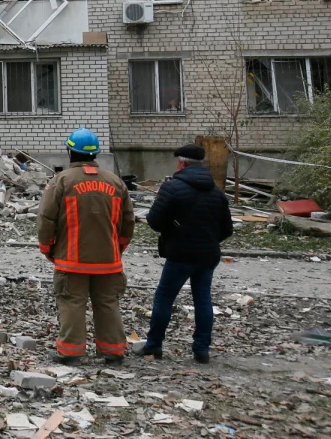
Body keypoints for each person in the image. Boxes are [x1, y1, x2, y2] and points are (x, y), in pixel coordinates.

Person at [37, 128, 135, 364]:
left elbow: (46, 219)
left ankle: (71, 352)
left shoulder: (61, 181)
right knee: (108, 303)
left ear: (70, 151)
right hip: (108, 261)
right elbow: (128, 222)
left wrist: (47, 248)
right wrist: (117, 248)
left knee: (72, 302)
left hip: (71, 260)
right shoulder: (115, 182)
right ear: (96, 154)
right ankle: (113, 351)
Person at [141, 144, 234, 364]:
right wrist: (208, 240)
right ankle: (201, 350)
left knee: (164, 298)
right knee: (203, 300)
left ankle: (154, 345)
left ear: (181, 163)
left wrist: (173, 231)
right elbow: (227, 229)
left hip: (180, 254)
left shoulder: (171, 188)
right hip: (208, 255)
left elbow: (154, 221)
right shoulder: (217, 192)